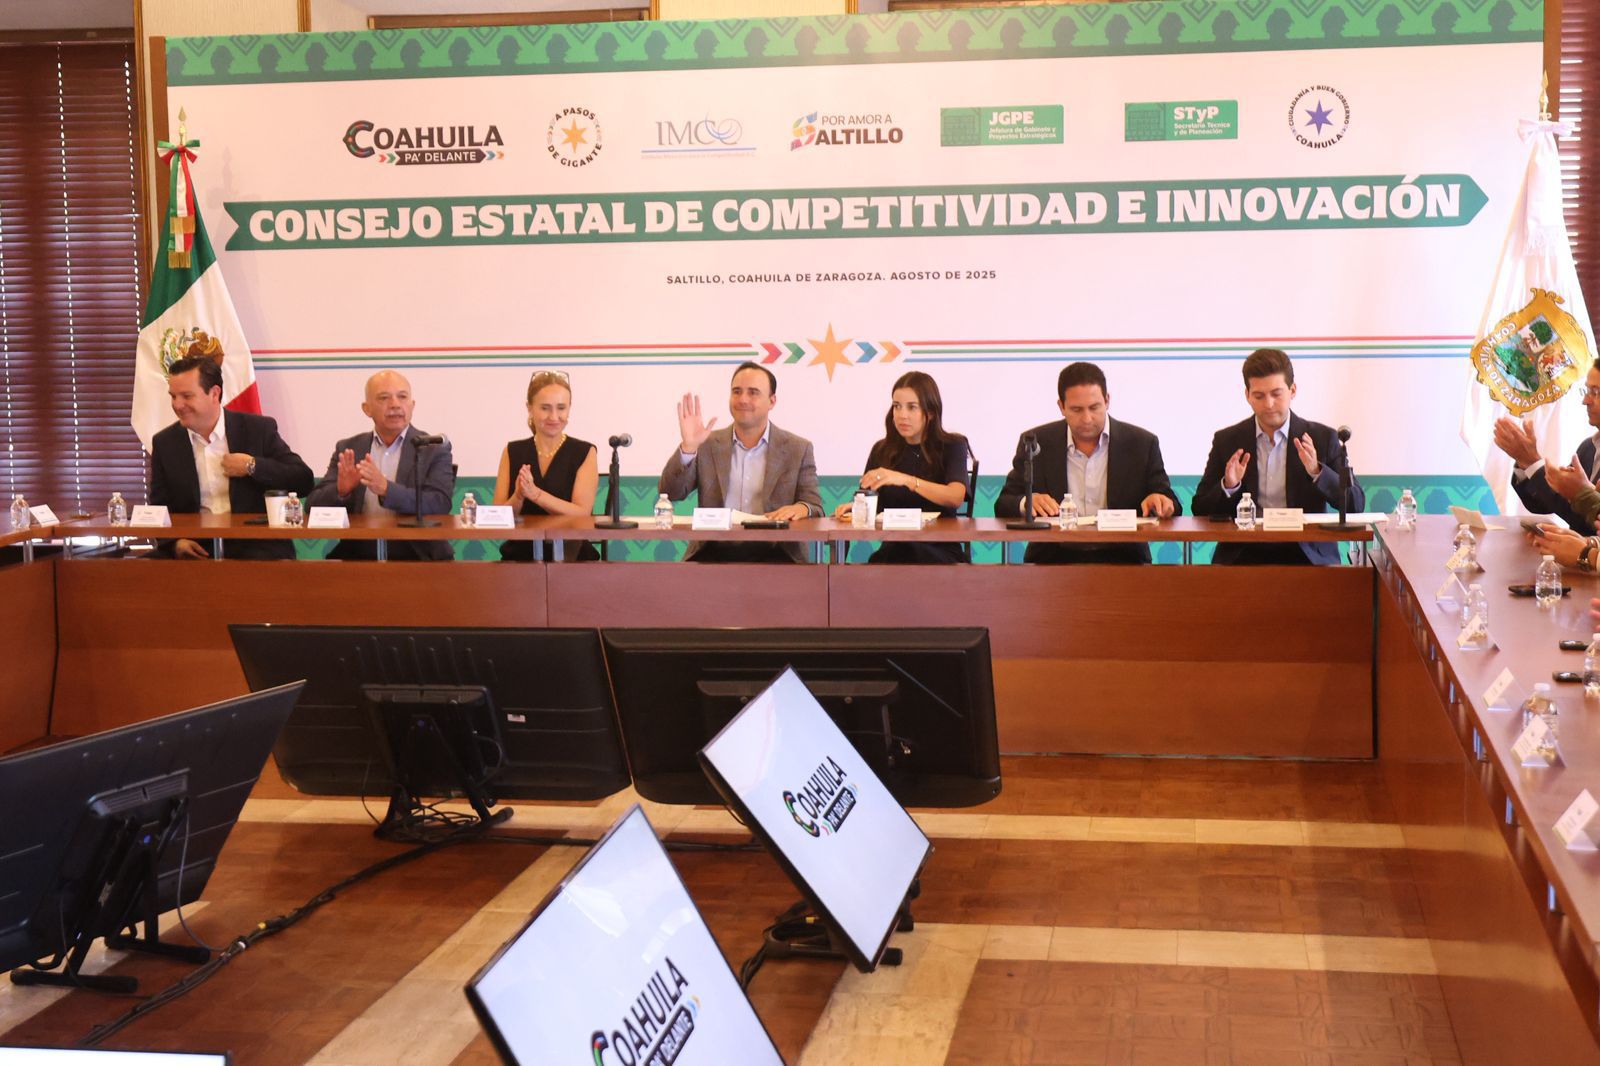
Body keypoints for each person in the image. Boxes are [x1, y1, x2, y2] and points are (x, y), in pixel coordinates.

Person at [995, 361, 1180, 564]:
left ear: (1107, 400)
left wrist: (1160, 501)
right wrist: (1027, 502)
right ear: (1061, 406)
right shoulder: (1036, 442)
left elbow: (1172, 503)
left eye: (1094, 407)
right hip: (1052, 560)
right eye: (1076, 409)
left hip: (1123, 559)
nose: (1087, 418)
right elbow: (1004, 503)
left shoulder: (1141, 443)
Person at [1193, 348, 1363, 565]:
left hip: (1307, 554)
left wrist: (1317, 472)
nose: (1269, 404)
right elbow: (1200, 508)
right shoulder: (1227, 440)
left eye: (1276, 394)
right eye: (1259, 396)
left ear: (1293, 390)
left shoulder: (1322, 438)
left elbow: (1356, 504)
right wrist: (1229, 485)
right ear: (1247, 395)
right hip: (1244, 553)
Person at [148, 350, 313, 560]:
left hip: (255, 545)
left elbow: (303, 480)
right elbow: (159, 507)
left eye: (187, 396)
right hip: (196, 547)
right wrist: (175, 542)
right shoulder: (165, 443)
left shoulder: (257, 430)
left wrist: (252, 466)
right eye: (173, 396)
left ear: (214, 393)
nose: (177, 405)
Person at [659, 361, 822, 563]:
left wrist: (802, 508)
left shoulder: (798, 449)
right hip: (713, 552)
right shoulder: (706, 443)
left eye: (753, 392)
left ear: (772, 401)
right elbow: (671, 492)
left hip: (777, 553)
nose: (743, 399)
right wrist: (688, 448)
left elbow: (814, 506)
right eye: (737, 392)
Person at [307, 370, 455, 561]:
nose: (395, 404)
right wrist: (341, 492)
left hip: (418, 557)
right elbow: (312, 505)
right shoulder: (349, 448)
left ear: (412, 405)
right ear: (366, 408)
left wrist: (386, 489)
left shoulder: (432, 448)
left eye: (402, 397)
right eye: (384, 398)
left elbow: (439, 503)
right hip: (359, 556)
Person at [832, 371, 971, 564]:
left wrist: (906, 480)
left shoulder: (952, 445)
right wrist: (856, 508)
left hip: (940, 550)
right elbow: (871, 500)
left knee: (905, 556)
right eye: (897, 406)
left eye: (912, 407)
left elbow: (955, 497)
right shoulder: (882, 449)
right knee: (884, 560)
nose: (902, 415)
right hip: (895, 548)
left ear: (930, 412)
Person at [493, 370, 599, 562]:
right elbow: (497, 517)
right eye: (545, 408)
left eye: (561, 408)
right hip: (520, 556)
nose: (554, 416)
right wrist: (518, 496)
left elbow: (582, 514)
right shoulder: (512, 451)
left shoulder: (584, 452)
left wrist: (536, 495)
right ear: (529, 408)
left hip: (572, 557)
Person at [1494, 359, 1600, 536]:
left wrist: (1532, 463)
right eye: (1586, 391)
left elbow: (1591, 523)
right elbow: (1550, 504)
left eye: (1595, 392)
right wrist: (1526, 464)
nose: (1585, 400)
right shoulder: (1588, 448)